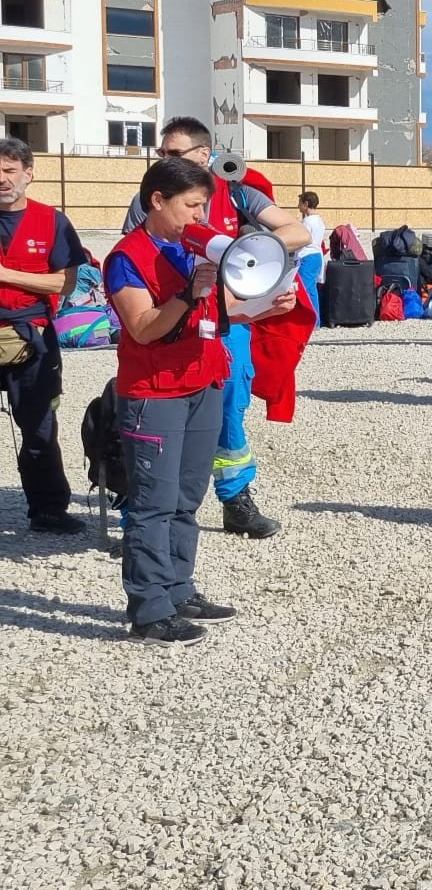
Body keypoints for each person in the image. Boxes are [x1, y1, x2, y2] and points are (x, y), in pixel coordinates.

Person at [108, 156, 291, 642]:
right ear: (157, 200)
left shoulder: (194, 248)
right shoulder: (127, 257)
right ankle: (148, 610)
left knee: (188, 497)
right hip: (154, 394)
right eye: (191, 205)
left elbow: (218, 309)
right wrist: (188, 294)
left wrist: (265, 303)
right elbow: (145, 329)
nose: (199, 216)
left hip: (202, 382)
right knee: (153, 503)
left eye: (204, 205)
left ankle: (178, 587)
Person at [122, 117, 309, 538]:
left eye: (174, 153)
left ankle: (234, 497)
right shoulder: (151, 199)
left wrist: (254, 248)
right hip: (173, 320)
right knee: (159, 414)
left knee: (228, 408)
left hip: (228, 317)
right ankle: (145, 507)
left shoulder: (239, 194)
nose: (163, 159)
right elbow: (135, 256)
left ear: (204, 156)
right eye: (162, 153)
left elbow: (296, 230)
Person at [0, 137, 90, 534]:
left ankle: (49, 509)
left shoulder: (52, 221)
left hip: (31, 334)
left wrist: (4, 275)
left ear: (28, 174)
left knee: (38, 426)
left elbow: (64, 284)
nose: (2, 179)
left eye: (9, 171)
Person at [295, 191, 328, 321]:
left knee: (302, 289)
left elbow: (303, 239)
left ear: (306, 204)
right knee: (312, 289)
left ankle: (305, 320)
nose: (298, 206)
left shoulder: (307, 222)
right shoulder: (319, 221)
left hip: (307, 255)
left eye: (299, 203)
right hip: (316, 255)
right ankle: (315, 320)